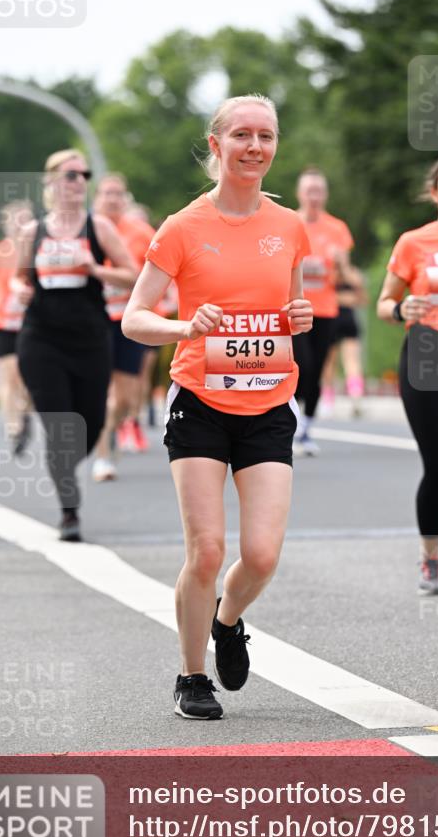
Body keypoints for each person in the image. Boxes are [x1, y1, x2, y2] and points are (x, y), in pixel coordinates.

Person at [122, 94, 313, 719]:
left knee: (261, 555)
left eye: (266, 135)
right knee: (206, 550)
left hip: (268, 403)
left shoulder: (289, 228)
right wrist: (185, 328)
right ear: (216, 144)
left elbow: (290, 306)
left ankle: (228, 621)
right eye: (242, 136)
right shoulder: (182, 228)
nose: (255, 146)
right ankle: (191, 675)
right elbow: (134, 319)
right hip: (199, 402)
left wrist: (300, 317)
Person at [15, 149, 135, 541]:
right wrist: (20, 291)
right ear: (50, 182)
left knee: (93, 421)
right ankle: (70, 511)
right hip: (42, 340)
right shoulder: (33, 232)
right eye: (70, 175)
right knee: (61, 429)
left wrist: (95, 269)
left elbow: (133, 275)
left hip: (90, 339)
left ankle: (61, 465)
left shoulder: (98, 227)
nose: (78, 181)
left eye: (83, 174)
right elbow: (20, 277)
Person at [91, 173, 150, 481]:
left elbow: (160, 269)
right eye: (106, 193)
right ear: (97, 198)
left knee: (125, 398)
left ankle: (111, 430)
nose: (112, 199)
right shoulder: (85, 230)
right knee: (102, 391)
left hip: (130, 321)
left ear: (125, 199)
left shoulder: (141, 232)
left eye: (118, 194)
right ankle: (101, 456)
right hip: (95, 321)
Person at [293, 168, 355, 455]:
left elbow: (346, 276)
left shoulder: (337, 229)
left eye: (318, 191)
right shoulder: (289, 223)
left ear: (325, 195)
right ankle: (289, 422)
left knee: (316, 370)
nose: (314, 197)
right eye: (309, 191)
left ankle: (305, 428)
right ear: (300, 194)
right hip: (294, 308)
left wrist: (341, 265)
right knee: (299, 366)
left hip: (326, 309)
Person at [0, 200, 33, 453]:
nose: (21, 224)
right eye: (16, 219)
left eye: (26, 218)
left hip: (30, 321)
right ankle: (13, 427)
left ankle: (24, 412)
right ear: (6, 223)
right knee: (8, 373)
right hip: (3, 321)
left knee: (27, 375)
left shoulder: (36, 249)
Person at [320, 262, 368, 417]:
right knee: (336, 361)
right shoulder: (352, 274)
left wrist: (338, 297)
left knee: (335, 362)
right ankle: (346, 396)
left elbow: (362, 300)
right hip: (338, 319)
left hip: (337, 319)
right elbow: (360, 299)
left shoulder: (333, 274)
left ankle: (341, 399)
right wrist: (347, 297)